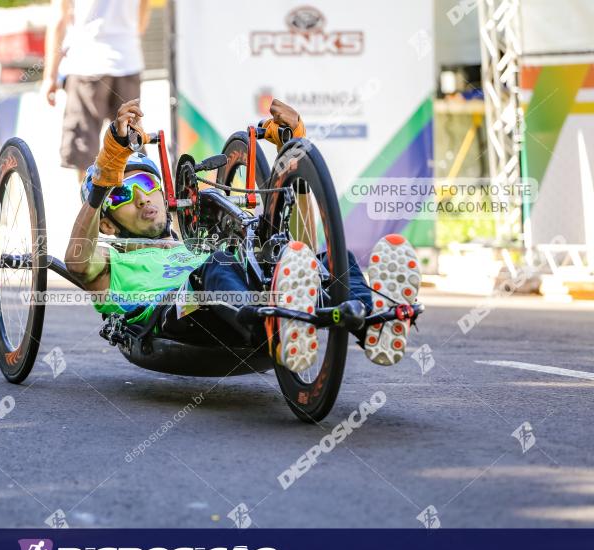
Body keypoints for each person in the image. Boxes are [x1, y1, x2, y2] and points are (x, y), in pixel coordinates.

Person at [64, 98, 421, 370]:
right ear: (107, 222)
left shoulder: (194, 243)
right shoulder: (112, 261)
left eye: (144, 183)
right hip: (173, 319)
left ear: (162, 189)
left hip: (232, 298)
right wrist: (104, 179)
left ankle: (375, 320)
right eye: (122, 194)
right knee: (218, 262)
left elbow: (301, 249)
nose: (141, 198)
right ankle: (275, 323)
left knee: (325, 259)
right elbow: (76, 264)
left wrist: (290, 153)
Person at [42, 0, 151, 181]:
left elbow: (59, 17)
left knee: (84, 153)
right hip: (127, 60)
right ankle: (136, 202)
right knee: (131, 147)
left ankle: (91, 207)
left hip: (87, 62)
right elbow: (143, 12)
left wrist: (50, 76)